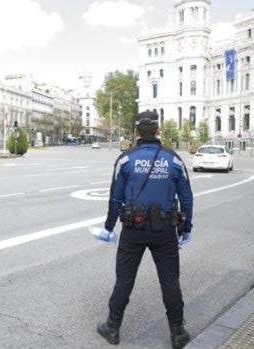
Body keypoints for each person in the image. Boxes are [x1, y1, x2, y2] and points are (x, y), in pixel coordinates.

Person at [97, 111, 194, 349]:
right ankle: (178, 334)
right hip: (165, 230)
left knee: (124, 280)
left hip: (133, 230)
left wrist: (109, 228)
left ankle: (112, 328)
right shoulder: (174, 160)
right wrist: (186, 228)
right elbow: (187, 199)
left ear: (137, 132)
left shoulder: (126, 160)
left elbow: (115, 200)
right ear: (158, 130)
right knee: (170, 281)